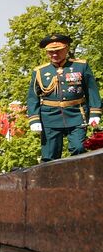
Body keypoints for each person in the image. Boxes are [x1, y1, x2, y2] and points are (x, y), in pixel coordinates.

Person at [27, 32, 101, 161]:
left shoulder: (81, 66)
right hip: (50, 117)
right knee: (49, 156)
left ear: (66, 49)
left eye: (58, 51)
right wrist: (34, 119)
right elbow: (33, 97)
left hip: (76, 114)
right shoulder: (40, 71)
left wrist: (95, 112)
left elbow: (91, 90)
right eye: (51, 52)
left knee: (79, 149)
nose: (54, 54)